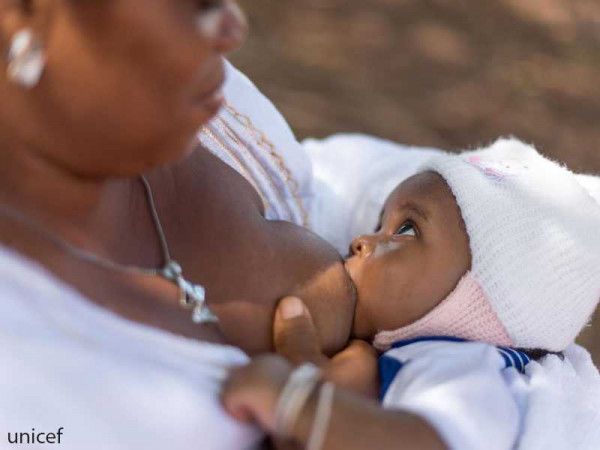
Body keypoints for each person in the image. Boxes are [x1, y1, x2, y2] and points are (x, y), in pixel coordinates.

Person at [0, 1, 360, 448]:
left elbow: (363, 187)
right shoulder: (18, 377)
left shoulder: (188, 110)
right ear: (16, 14)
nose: (233, 29)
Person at [222, 139, 600, 450]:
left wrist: (297, 404)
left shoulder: (463, 366)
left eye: (405, 230)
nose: (361, 242)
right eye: (378, 224)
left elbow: (434, 441)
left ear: (477, 298)